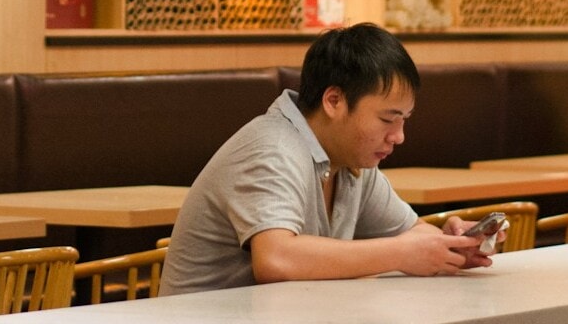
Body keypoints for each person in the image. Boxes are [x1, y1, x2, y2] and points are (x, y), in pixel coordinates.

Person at [158, 23, 498, 296]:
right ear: (334, 100)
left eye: (404, 119)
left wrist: (450, 245)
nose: (399, 136)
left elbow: (410, 234)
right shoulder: (272, 148)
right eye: (386, 119)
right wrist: (404, 253)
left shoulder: (352, 162)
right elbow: (276, 259)